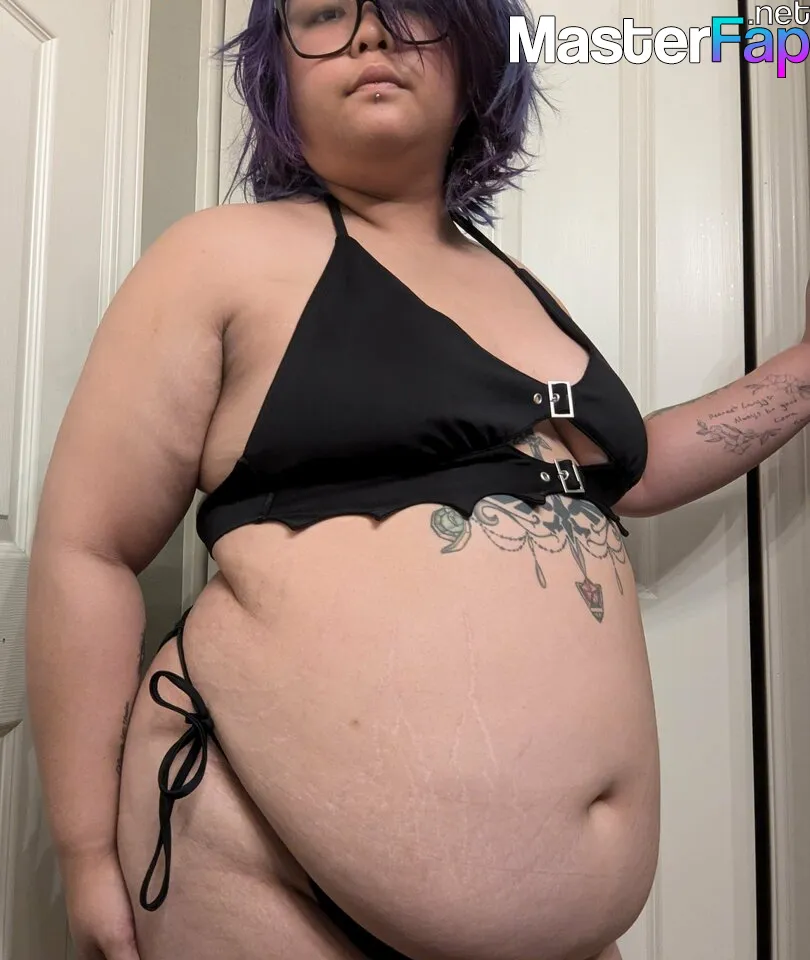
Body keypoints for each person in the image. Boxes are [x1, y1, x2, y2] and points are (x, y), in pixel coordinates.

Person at [24, 1, 810, 958]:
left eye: (409, 9)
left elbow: (633, 470)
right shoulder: (221, 254)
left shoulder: (521, 288)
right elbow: (89, 549)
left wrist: (804, 369)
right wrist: (85, 855)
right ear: (277, 75)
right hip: (259, 863)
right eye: (324, 13)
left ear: (477, 59)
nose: (370, 33)